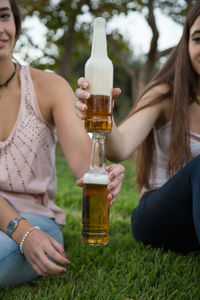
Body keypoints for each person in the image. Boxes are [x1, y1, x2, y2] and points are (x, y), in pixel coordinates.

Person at [0, 0, 125, 287]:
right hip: (21, 228)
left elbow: (85, 163)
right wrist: (22, 234)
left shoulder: (50, 87)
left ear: (16, 23)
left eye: (4, 16)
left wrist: (105, 173)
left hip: (36, 218)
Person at [75, 1, 200, 254]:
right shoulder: (166, 93)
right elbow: (120, 148)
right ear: (186, 45)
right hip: (159, 219)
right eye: (198, 38)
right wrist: (102, 110)